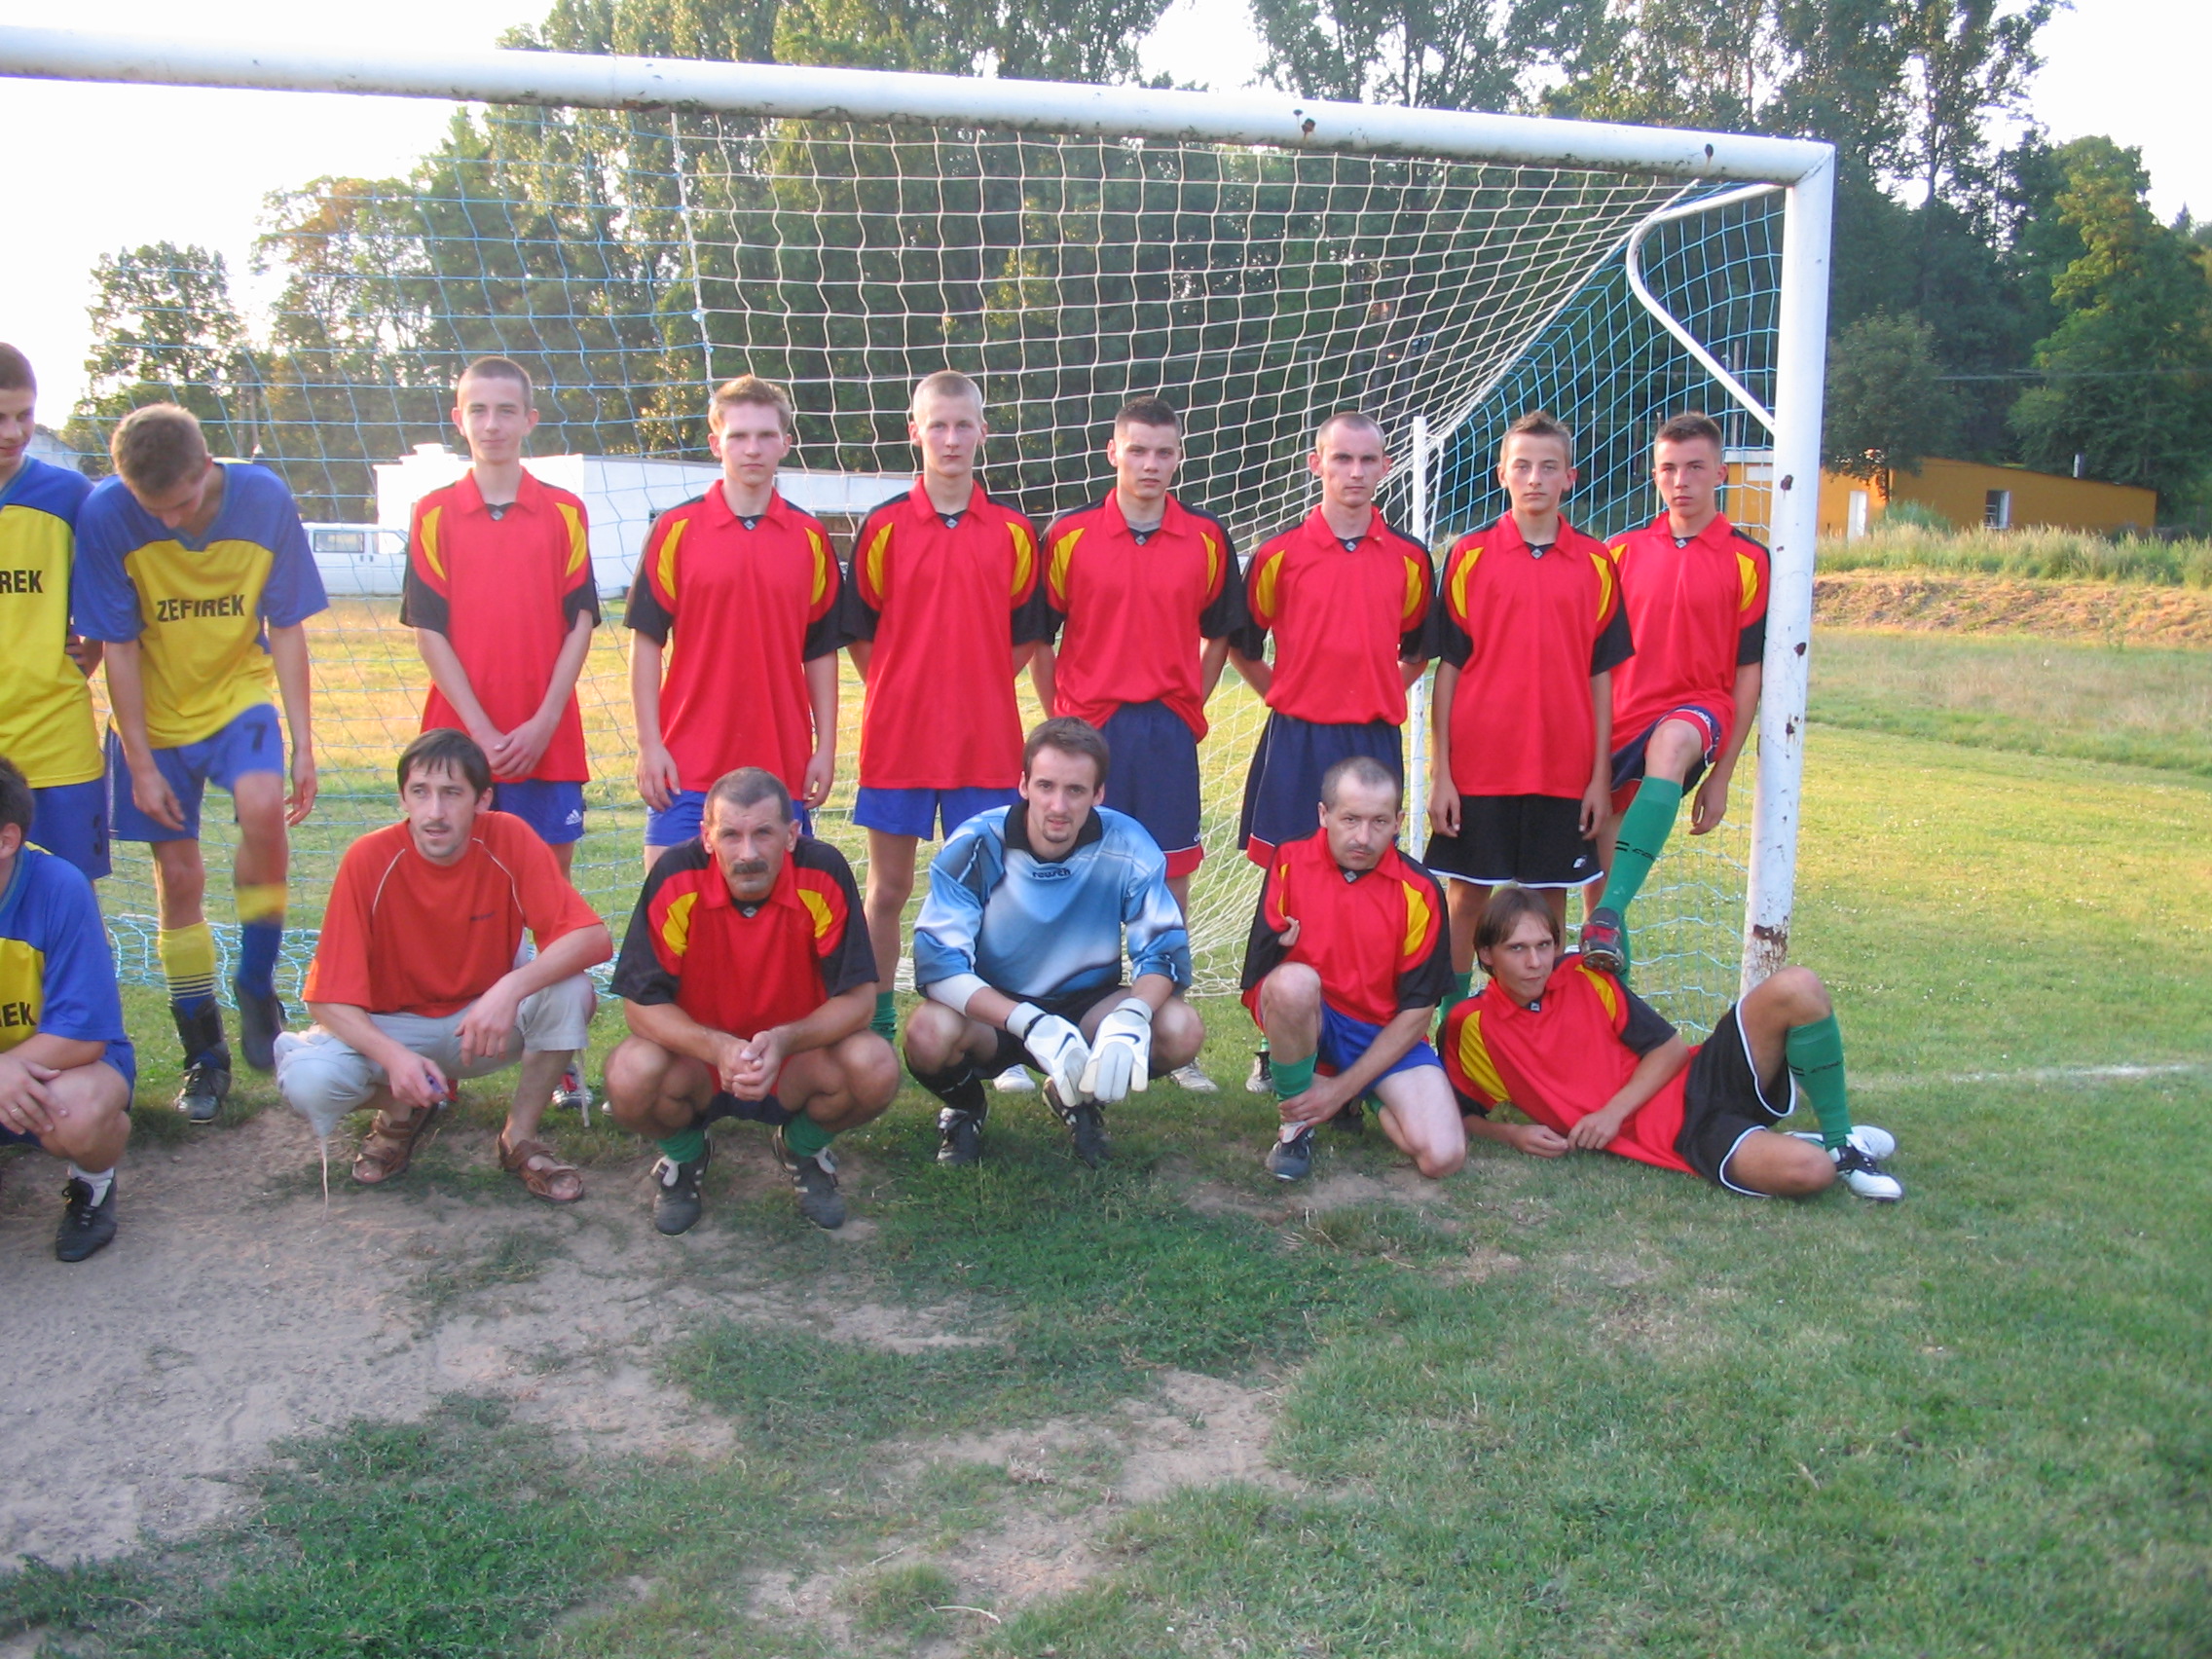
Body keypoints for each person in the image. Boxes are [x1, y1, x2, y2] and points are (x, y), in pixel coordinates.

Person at [76, 403, 325, 1120]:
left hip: (237, 698)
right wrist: (140, 761)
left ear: (207, 466)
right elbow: (119, 648)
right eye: (153, 509)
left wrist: (304, 744)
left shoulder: (264, 498)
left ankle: (256, 982)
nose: (170, 521)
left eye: (182, 504)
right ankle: (203, 1054)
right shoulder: (106, 515)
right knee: (179, 877)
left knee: (263, 812)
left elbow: (287, 627)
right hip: (153, 718)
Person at [276, 730, 611, 1201]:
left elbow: (593, 938)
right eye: (421, 792)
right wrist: (394, 1059)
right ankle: (401, 1109)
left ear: (482, 800)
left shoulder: (509, 837)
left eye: (452, 793)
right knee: (308, 1082)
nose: (435, 811)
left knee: (571, 989)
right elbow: (326, 1000)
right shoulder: (368, 859)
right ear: (402, 798)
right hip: (393, 1029)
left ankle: (518, 1136)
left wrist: (509, 988)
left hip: (480, 1025)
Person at [1028, 396, 1245, 1093]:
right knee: (1065, 876)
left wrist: (1189, 706)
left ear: (1179, 457)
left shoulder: (1205, 538)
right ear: (1113, 453)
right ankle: (1047, 1028)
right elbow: (1039, 637)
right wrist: (1061, 718)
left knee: (1170, 882)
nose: (1150, 464)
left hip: (1165, 734)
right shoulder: (1068, 536)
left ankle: (1166, 1027)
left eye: (1164, 451)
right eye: (1138, 450)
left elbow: (1222, 634)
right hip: (1090, 731)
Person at [1443, 885, 1902, 1199]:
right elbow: (1458, 1115)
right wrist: (1512, 1134)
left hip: (1700, 1076)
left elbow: (1670, 1050)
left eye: (1544, 945)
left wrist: (1611, 1112)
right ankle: (1810, 1147)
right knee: (1811, 1172)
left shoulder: (1585, 977)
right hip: (1683, 1134)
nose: (1535, 962)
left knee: (1799, 986)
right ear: (1486, 954)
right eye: (1517, 949)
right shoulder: (1472, 1025)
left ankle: (1842, 1142)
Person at [840, 370, 1048, 1046]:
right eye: (938, 425)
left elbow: (1026, 635)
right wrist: (905, 688)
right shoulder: (883, 526)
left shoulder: (1014, 532)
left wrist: (972, 686)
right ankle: (875, 1022)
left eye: (963, 425)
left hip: (983, 742)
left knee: (987, 894)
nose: (951, 439)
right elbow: (860, 633)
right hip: (898, 740)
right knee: (889, 888)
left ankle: (990, 1028)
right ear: (915, 432)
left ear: (983, 432)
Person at [605, 767, 897, 1234]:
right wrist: (717, 1048)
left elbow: (859, 1001)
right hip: (700, 1063)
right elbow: (640, 1006)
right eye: (731, 835)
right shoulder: (676, 875)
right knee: (629, 1073)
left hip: (794, 1061)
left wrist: (783, 1041)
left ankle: (801, 1149)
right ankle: (686, 1156)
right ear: (706, 837)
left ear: (791, 834)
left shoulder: (822, 872)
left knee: (875, 1066)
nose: (748, 853)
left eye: (763, 833)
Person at [904, 717, 1202, 1168]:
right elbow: (939, 966)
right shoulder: (977, 844)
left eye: (1076, 790)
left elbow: (1163, 954)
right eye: (1045, 786)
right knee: (928, 1034)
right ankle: (966, 1108)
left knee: (1180, 1029)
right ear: (1023, 784)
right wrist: (1029, 1022)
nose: (1058, 805)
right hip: (996, 1011)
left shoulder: (1127, 842)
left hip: (1087, 1007)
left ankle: (1077, 1096)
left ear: (1098, 794)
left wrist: (1132, 1016)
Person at [1425, 411, 1631, 1010]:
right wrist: (1442, 773)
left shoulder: (1596, 562)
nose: (1535, 478)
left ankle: (1538, 1028)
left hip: (1562, 770)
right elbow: (1449, 670)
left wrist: (1598, 777)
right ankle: (1453, 1028)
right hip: (1481, 766)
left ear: (1570, 476)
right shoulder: (1469, 555)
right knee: (1466, 899)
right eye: (1522, 466)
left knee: (1547, 905)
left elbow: (1600, 677)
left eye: (1548, 467)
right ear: (1502, 474)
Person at [628, 374, 843, 869]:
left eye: (766, 435)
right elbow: (646, 641)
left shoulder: (810, 537)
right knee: (669, 897)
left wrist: (825, 748)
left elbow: (820, 651)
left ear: (785, 443)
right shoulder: (675, 529)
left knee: (778, 904)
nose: (752, 448)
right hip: (686, 763)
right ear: (715, 443)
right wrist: (649, 745)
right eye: (739, 435)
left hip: (782, 765)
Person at [1582, 411, 1770, 977]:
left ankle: (1609, 913)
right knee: (1601, 894)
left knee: (1670, 742)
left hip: (1697, 710)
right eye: (1669, 469)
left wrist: (1722, 775)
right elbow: (1592, 659)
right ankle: (1612, 997)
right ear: (1655, 475)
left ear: (1720, 473)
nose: (1681, 480)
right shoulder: (1620, 552)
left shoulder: (1749, 560)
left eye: (1695, 467)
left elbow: (1749, 672)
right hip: (1619, 723)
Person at [403, 355, 600, 877]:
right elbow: (428, 630)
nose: (492, 424)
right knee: (453, 881)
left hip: (546, 739)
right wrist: (480, 732)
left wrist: (545, 722)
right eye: (479, 410)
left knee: (546, 881)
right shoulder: (432, 512)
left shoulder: (565, 511)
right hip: (458, 736)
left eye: (506, 411)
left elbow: (580, 622)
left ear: (529, 420)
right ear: (458, 419)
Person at [1239, 755, 1461, 1185]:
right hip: (1315, 1019)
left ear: (1398, 822)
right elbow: (1258, 978)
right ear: (1324, 815)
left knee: (1443, 1156)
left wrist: (1343, 1087)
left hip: (1380, 1032)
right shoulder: (1289, 860)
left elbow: (1418, 1011)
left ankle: (1356, 1092)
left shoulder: (1420, 890)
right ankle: (1296, 1126)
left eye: (1379, 822)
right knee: (1293, 982)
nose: (1363, 837)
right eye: (1350, 819)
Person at [1234, 410, 1432, 868]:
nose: (1356, 472)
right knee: (1289, 868)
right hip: (1298, 736)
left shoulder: (1410, 559)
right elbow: (1243, 648)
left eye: (1368, 459)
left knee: (1369, 867)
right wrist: (1288, 696)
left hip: (1373, 737)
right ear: (1316, 463)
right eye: (1342, 458)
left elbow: (1418, 651)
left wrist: (1375, 693)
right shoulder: (1277, 555)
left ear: (1386, 466)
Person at [0, 756, 134, 1261]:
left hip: (61, 1067)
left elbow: (82, 1037)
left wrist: (8, 1068)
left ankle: (93, 1182)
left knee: (75, 1114)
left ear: (6, 841)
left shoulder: (59, 887)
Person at [0, 345, 108, 884]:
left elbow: (108, 603)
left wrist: (91, 651)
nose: (13, 432)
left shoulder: (69, 496)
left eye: (24, 415)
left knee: (67, 895)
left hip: (55, 740)